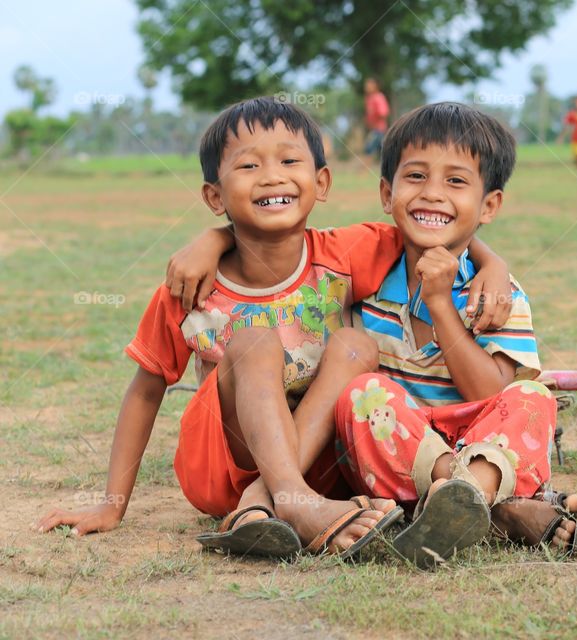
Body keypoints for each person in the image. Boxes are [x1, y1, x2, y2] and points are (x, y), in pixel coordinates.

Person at [35, 97, 512, 561]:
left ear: (321, 182)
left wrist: (492, 263)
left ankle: (275, 501)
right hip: (224, 466)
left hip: (324, 469)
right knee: (255, 341)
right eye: (248, 167)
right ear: (213, 196)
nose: (272, 176)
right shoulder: (189, 287)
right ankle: (287, 499)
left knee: (354, 344)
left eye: (289, 160)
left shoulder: (345, 254)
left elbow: (431, 230)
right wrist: (112, 503)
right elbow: (145, 390)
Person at [334, 103, 577, 569]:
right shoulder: (364, 282)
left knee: (532, 396)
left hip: (483, 449)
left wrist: (439, 302)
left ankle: (465, 497)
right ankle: (492, 513)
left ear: (489, 205)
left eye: (455, 181)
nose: (432, 194)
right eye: (415, 177)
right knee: (360, 394)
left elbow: (489, 393)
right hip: (403, 453)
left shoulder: (497, 295)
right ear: (386, 192)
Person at [363, 78, 390, 164]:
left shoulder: (378, 97)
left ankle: (364, 172)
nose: (367, 86)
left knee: (369, 149)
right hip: (374, 129)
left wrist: (375, 122)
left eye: (369, 84)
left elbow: (383, 113)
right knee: (383, 151)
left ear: (375, 86)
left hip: (378, 129)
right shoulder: (369, 98)